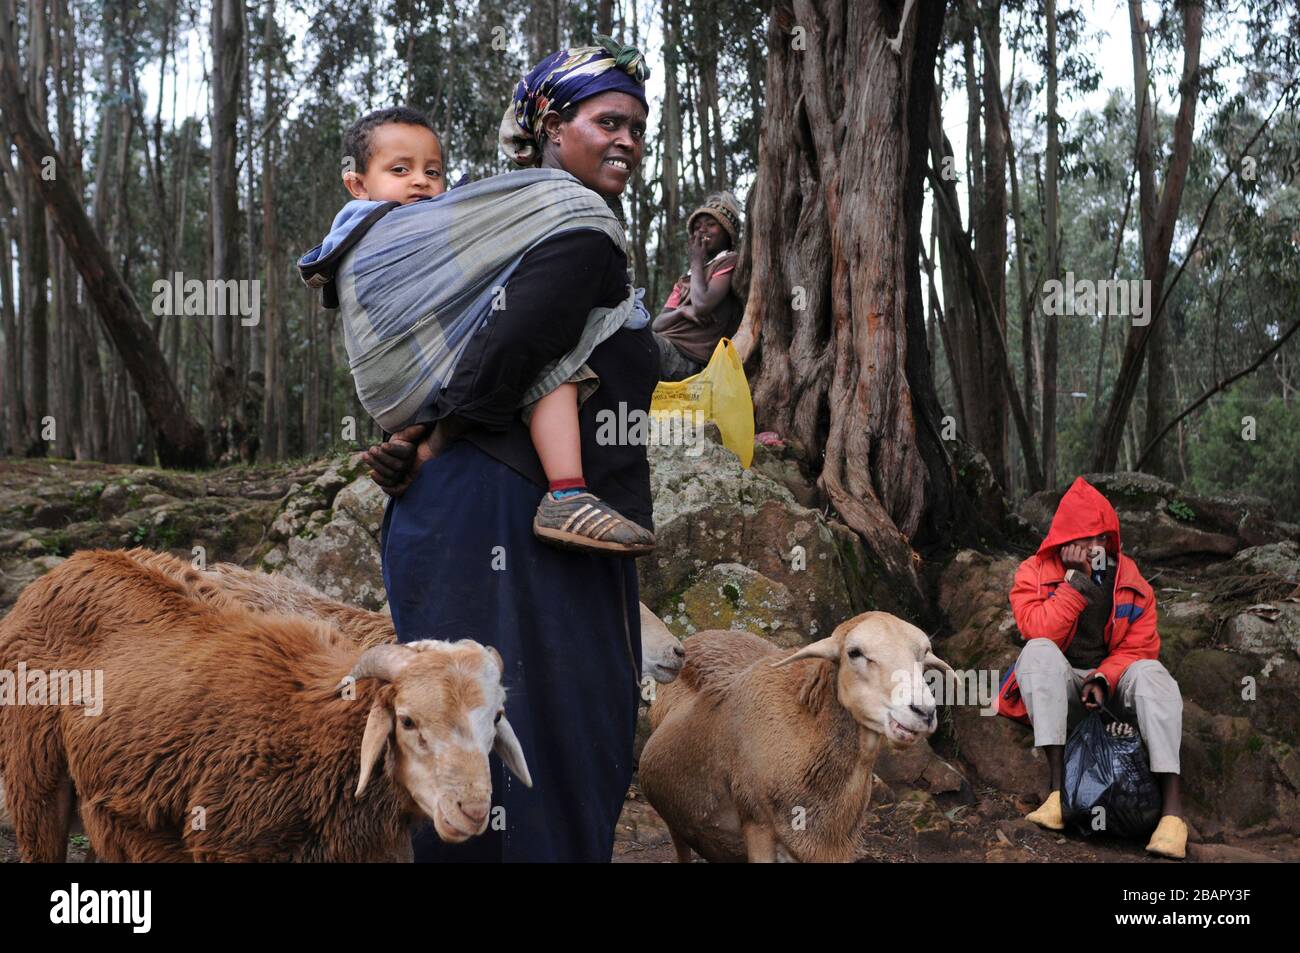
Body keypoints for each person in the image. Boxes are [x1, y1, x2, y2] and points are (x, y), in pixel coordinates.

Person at [362, 37, 658, 862]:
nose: (628, 139)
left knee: (542, 735)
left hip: (517, 518)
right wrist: (430, 432)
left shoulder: (544, 231)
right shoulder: (573, 226)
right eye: (608, 121)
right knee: (529, 736)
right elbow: (504, 351)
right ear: (552, 127)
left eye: (638, 125)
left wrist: (694, 317)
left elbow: (562, 356)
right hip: (511, 521)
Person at [301, 105, 653, 556]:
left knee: (555, 359)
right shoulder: (375, 234)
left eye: (433, 171)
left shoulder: (480, 219)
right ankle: (566, 491)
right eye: (400, 169)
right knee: (557, 372)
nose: (420, 181)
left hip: (448, 434)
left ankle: (567, 495)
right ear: (357, 184)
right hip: (445, 429)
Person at [999, 476, 1188, 859]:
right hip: (1061, 689)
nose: (1096, 547)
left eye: (1104, 538)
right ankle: (1058, 794)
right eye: (1087, 537)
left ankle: (1172, 814)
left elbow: (1141, 647)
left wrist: (1105, 677)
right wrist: (1077, 584)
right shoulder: (1032, 573)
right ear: (1065, 539)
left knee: (1154, 674)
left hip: (1112, 690)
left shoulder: (1131, 581)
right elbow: (1039, 631)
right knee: (1036, 651)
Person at [651, 191, 744, 381]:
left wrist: (696, 260)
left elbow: (702, 306)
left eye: (711, 225)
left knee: (629, 341)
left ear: (727, 233)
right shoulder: (687, 278)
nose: (702, 231)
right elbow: (657, 324)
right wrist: (682, 311)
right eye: (698, 227)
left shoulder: (728, 261)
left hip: (688, 360)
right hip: (665, 347)